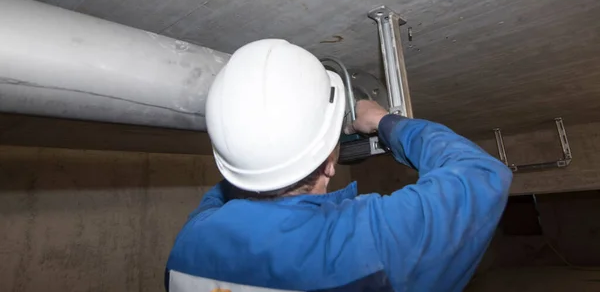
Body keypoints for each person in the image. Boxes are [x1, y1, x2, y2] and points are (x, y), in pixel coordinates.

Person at [166, 39, 512, 292]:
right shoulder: (370, 244)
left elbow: (226, 190)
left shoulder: (190, 243)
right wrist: (382, 121)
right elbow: (480, 173)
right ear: (330, 165)